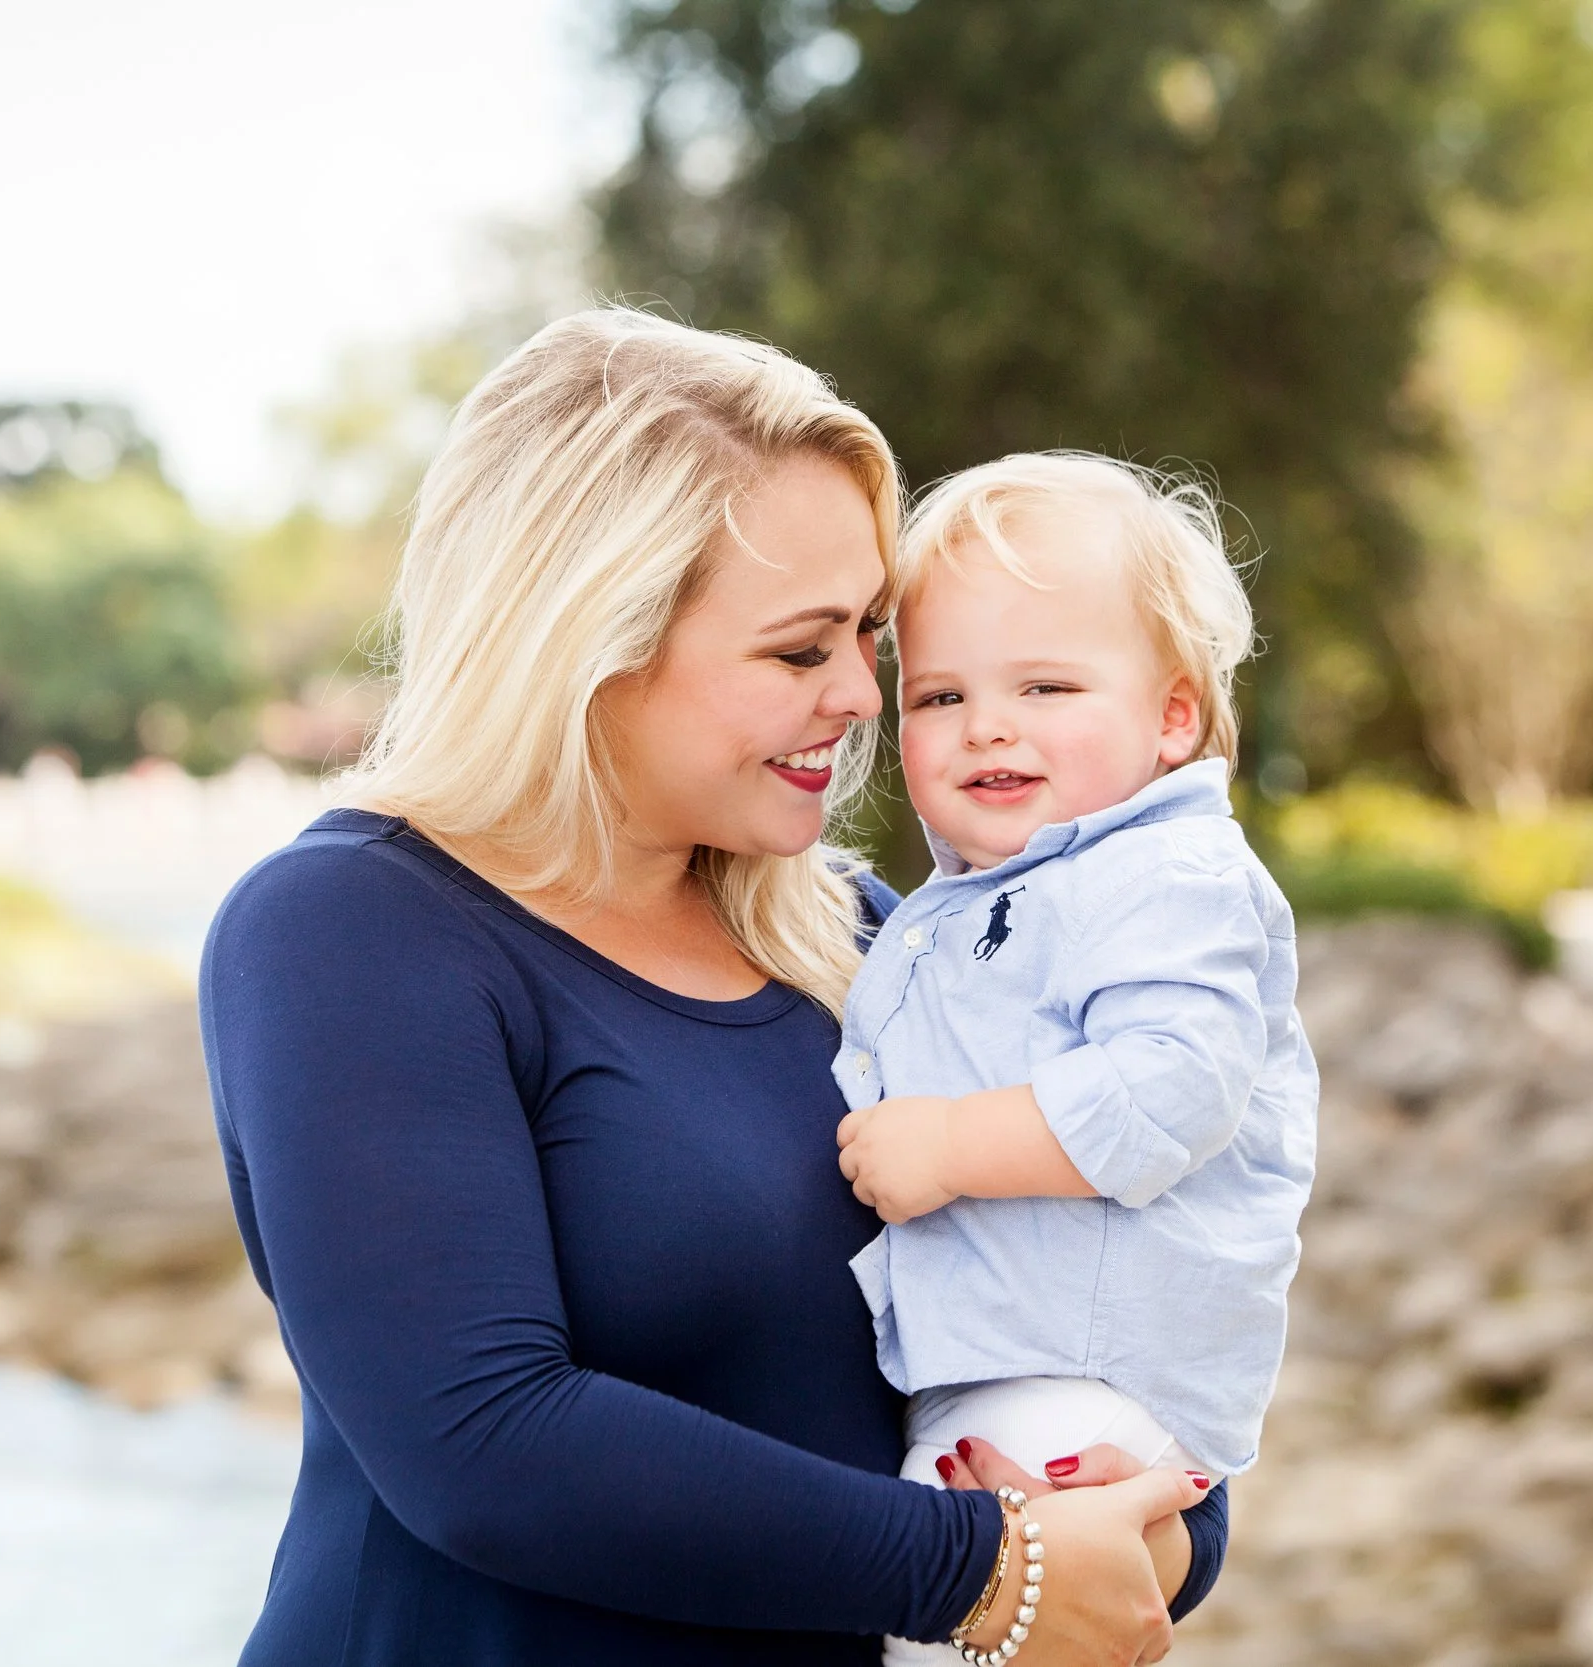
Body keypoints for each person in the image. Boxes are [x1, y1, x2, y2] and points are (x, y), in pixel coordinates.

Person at [199, 310, 1228, 1666]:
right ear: (593, 635)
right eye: (802, 649)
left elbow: (1105, 1295)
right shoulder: (351, 927)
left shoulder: (876, 938)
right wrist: (987, 1570)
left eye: (868, 634)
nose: (865, 693)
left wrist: (1152, 1514)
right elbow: (482, 1437)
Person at [829, 454, 1319, 1666]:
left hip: (1075, 1385)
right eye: (940, 696)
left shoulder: (1165, 874)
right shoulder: (985, 895)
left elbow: (1173, 1084)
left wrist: (946, 1145)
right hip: (1005, 1373)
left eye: (1046, 684)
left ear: (1171, 714)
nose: (987, 723)